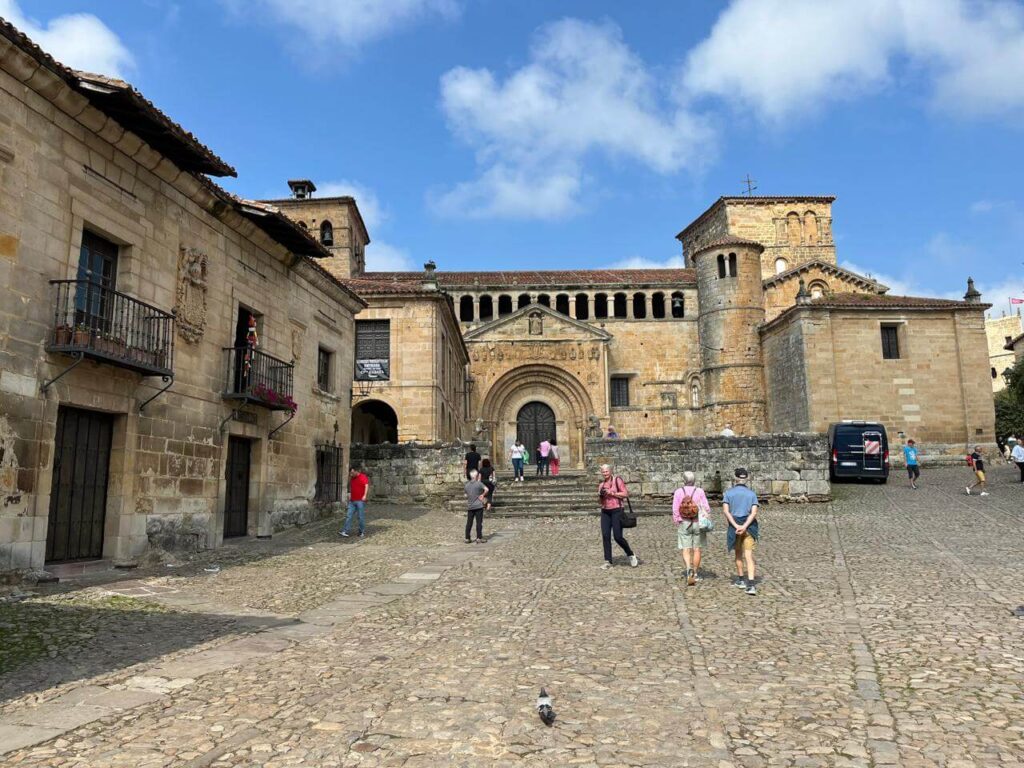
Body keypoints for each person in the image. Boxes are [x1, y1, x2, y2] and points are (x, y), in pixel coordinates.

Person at [722, 467, 759, 595]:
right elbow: (753, 513)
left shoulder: (728, 493)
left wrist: (736, 525)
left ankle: (741, 580)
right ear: (746, 478)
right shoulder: (752, 494)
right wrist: (745, 526)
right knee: (749, 556)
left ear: (735, 478)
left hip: (735, 527)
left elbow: (726, 511)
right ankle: (751, 584)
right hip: (749, 528)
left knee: (738, 554)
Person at [597, 464, 639, 569]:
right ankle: (608, 561)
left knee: (617, 537)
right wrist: (601, 496)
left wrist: (612, 493)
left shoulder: (617, 480)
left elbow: (625, 494)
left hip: (617, 511)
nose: (605, 473)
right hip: (605, 512)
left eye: (606, 471)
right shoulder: (601, 485)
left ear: (610, 471)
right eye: (603, 472)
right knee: (605, 535)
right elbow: (599, 502)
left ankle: (630, 554)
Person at [673, 471, 710, 586]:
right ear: (694, 480)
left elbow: (675, 509)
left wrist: (678, 520)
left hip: (684, 522)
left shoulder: (679, 492)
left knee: (686, 548)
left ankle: (688, 569)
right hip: (698, 522)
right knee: (697, 549)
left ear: (684, 480)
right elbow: (706, 508)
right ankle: (695, 573)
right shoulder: (700, 491)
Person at [340, 466, 370, 538]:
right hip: (352, 501)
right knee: (348, 515)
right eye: (350, 473)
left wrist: (365, 495)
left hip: (360, 501)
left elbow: (366, 485)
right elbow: (352, 487)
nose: (351, 474)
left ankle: (361, 531)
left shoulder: (363, 477)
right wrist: (350, 494)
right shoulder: (352, 478)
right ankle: (345, 531)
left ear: (357, 471)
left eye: (352, 473)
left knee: (360, 517)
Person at [464, 469, 489, 543]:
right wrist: (482, 495)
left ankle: (467, 538)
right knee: (479, 522)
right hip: (478, 506)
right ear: (476, 476)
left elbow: (465, 495)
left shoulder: (467, 485)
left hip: (470, 506)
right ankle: (479, 537)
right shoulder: (479, 484)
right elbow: (486, 489)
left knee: (469, 523)